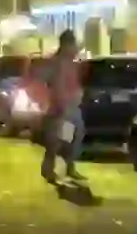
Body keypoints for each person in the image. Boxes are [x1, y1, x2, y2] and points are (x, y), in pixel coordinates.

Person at [40, 29, 84, 184]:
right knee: (57, 140)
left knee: (71, 137)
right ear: (65, 45)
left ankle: (68, 167)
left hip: (71, 106)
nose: (74, 48)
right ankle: (49, 168)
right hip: (60, 108)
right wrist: (58, 103)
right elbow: (51, 84)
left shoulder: (71, 63)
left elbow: (73, 83)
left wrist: (78, 95)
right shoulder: (57, 63)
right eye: (72, 44)